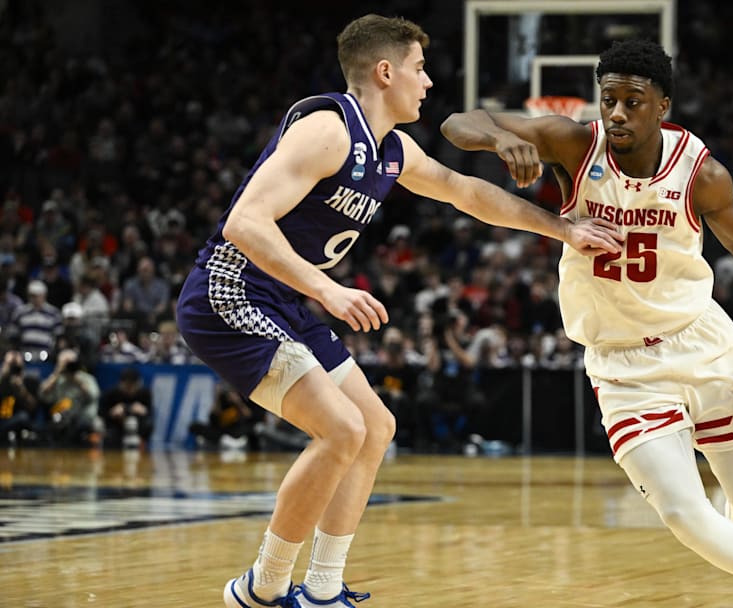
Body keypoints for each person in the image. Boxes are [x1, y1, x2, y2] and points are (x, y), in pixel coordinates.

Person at [174, 15, 622, 608]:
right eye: (419, 68)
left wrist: (562, 228)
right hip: (228, 294)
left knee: (375, 429)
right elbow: (244, 222)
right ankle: (261, 588)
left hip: (283, 297)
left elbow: (467, 192)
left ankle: (323, 588)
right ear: (385, 72)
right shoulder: (328, 131)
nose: (429, 82)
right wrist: (327, 291)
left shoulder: (390, 149)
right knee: (341, 431)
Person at [441, 39, 733, 608]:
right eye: (608, 99)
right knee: (683, 511)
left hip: (703, 344)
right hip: (624, 369)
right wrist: (502, 136)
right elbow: (460, 121)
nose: (617, 113)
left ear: (662, 106)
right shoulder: (573, 143)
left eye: (633, 101)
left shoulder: (701, 174)